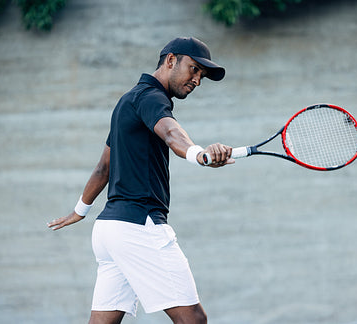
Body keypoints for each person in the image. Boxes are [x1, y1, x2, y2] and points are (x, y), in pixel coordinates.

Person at [47, 37, 233, 324]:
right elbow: (172, 134)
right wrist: (200, 155)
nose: (197, 80)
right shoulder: (151, 98)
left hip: (110, 232)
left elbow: (103, 167)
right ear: (171, 60)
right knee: (194, 319)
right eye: (194, 69)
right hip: (138, 226)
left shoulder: (127, 101)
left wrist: (80, 210)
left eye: (201, 76)